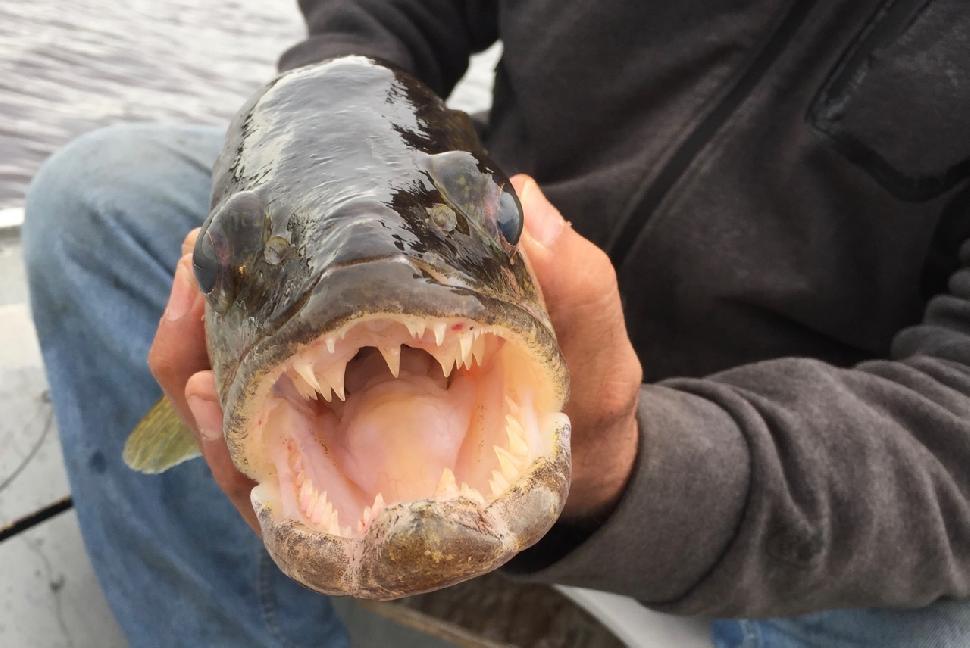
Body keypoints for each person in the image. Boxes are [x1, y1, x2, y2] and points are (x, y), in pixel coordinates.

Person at [23, 2, 970, 646]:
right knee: (100, 201)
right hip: (479, 242)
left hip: (788, 451)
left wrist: (636, 475)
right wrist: (319, 132)